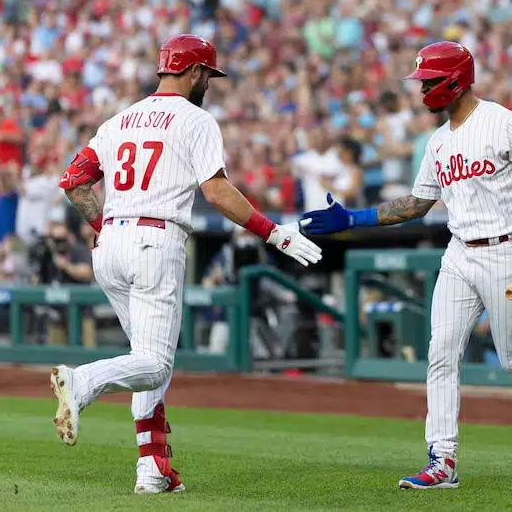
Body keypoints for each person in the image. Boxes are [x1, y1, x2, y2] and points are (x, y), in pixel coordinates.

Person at [301, 41, 512, 488]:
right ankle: (442, 459)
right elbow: (417, 204)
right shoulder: (437, 142)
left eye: (429, 81)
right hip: (459, 252)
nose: (422, 90)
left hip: (509, 247)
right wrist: (353, 218)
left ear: (453, 80)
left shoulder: (504, 123)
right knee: (441, 352)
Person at [50, 34, 321, 494]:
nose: (209, 85)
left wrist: (102, 227)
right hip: (156, 240)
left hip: (112, 241)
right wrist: (274, 232)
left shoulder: (119, 120)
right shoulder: (195, 120)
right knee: (154, 365)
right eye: (208, 76)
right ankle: (82, 382)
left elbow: (74, 182)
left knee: (143, 360)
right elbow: (215, 192)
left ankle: (152, 469)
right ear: (194, 72)